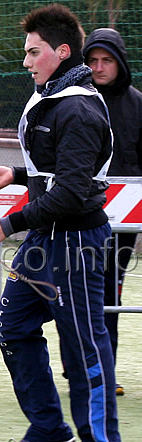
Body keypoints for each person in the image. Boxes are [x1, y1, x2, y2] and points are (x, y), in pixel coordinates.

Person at [0, 4, 125, 442]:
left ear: (61, 52)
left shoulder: (78, 106)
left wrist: (8, 224)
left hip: (76, 241)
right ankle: (50, 429)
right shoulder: (57, 96)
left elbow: (76, 191)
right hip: (45, 238)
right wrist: (14, 173)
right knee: (13, 326)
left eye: (33, 52)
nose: (25, 61)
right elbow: (57, 169)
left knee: (83, 346)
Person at [83, 28, 142, 397]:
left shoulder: (138, 104)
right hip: (76, 217)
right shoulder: (73, 100)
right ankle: (80, 371)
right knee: (74, 297)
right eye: (93, 61)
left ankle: (105, 373)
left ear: (120, 63)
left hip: (121, 225)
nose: (100, 68)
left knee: (109, 298)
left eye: (107, 61)